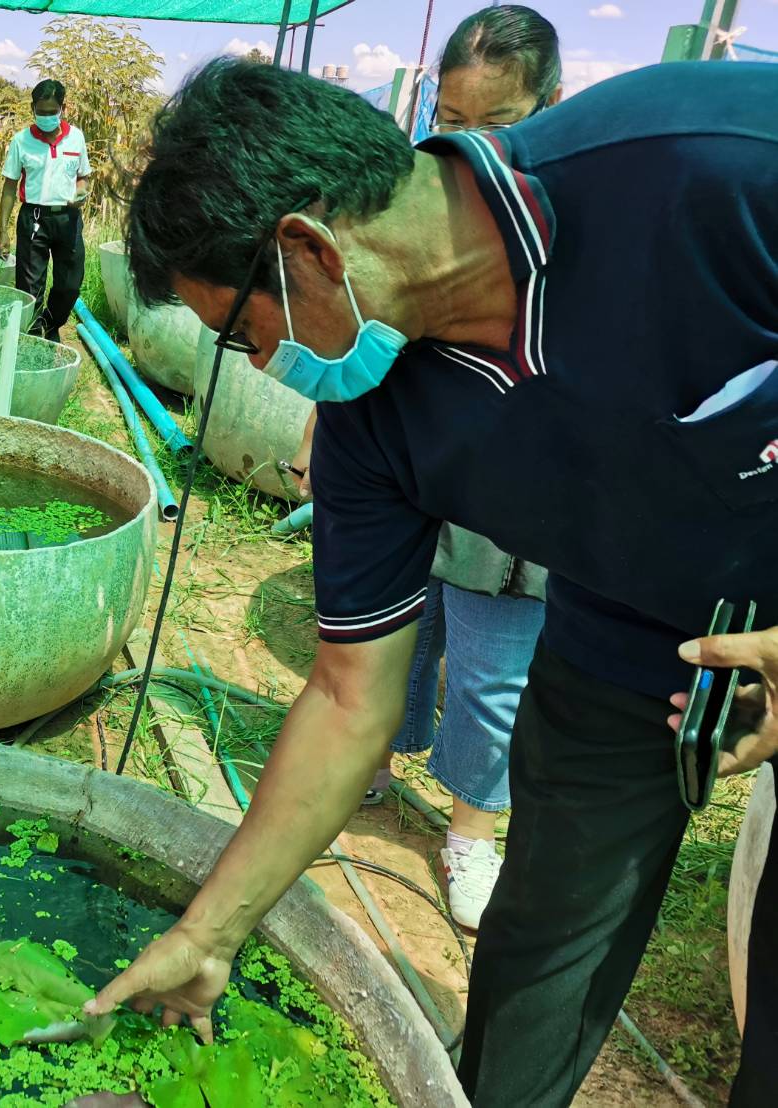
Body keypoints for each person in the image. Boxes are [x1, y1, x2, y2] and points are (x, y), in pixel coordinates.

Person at [85, 55, 778, 1108]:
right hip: (621, 633)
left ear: (308, 252)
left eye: (244, 334)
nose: (263, 367)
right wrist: (206, 931)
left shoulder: (712, 159)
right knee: (539, 950)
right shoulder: (370, 424)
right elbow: (346, 696)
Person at [288, 4, 564, 932]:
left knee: (492, 672)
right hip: (409, 475)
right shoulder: (410, 193)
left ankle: (471, 835)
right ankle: (360, 768)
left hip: (517, 496)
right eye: (451, 120)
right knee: (394, 642)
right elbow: (359, 333)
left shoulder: (576, 212)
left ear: (547, 106)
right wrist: (319, 433)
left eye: (496, 123)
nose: (469, 143)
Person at [0, 80, 91, 343]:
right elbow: (9, 187)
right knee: (29, 287)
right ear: (33, 108)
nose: (47, 117)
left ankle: (52, 323)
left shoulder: (76, 137)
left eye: (53, 111)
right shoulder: (21, 141)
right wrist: (2, 231)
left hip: (68, 219)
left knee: (70, 284)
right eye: (42, 111)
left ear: (63, 108)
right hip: (33, 219)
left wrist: (81, 193)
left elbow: (83, 177)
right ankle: (34, 335)